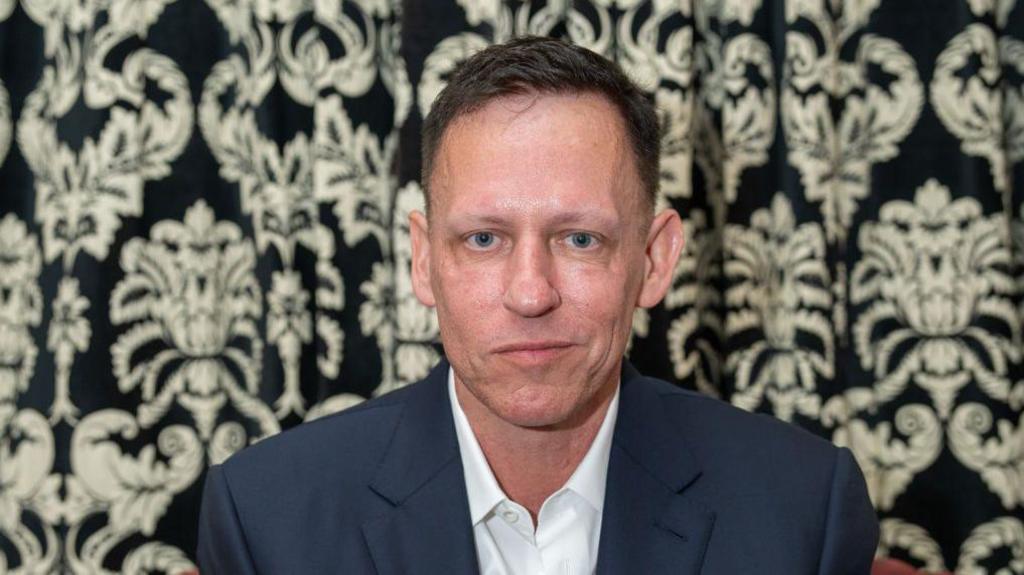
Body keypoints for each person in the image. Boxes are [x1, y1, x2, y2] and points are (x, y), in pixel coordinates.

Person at [197, 36, 879, 574]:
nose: (531, 293)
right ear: (424, 259)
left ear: (654, 259)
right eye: (484, 238)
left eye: (580, 238)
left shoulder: (802, 512)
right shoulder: (265, 519)